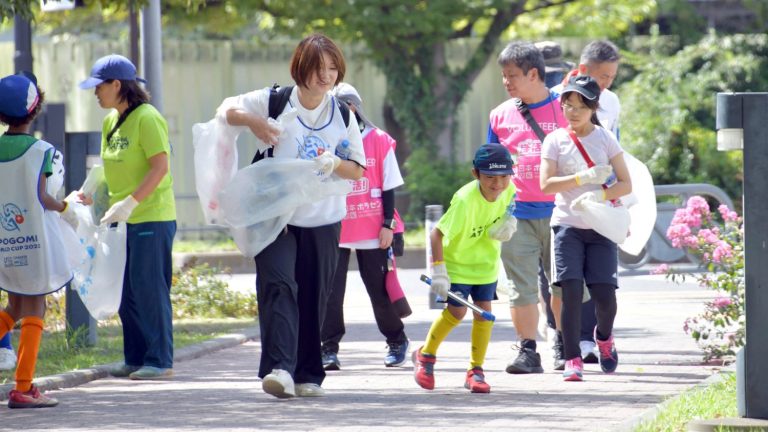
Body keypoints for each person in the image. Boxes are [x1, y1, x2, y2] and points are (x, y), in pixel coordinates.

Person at [222, 34, 365, 399]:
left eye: (333, 69)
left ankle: (307, 373)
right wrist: (255, 123)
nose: (326, 76)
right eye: (319, 69)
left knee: (314, 296)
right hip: (274, 215)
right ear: (301, 68)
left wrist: (335, 162)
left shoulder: (343, 114)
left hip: (322, 219)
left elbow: (357, 169)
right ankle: (280, 369)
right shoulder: (275, 100)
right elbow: (226, 112)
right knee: (279, 286)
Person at [79, 54, 177, 381]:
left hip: (151, 216)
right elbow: (110, 167)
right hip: (121, 220)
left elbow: (160, 167)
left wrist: (132, 202)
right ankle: (134, 358)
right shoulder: (110, 121)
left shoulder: (147, 118)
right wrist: (92, 191)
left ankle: (160, 360)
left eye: (99, 86)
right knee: (127, 290)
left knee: (149, 287)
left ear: (117, 85)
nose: (95, 93)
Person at [540, 75, 631, 381]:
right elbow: (546, 185)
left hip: (601, 225)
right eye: (568, 105)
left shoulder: (606, 139)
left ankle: (604, 338)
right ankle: (572, 359)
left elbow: (626, 183)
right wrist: (580, 179)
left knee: (605, 296)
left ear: (593, 108)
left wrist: (600, 194)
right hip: (566, 225)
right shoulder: (554, 140)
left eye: (581, 105)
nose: (574, 111)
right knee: (571, 290)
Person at [487, 41, 567, 374]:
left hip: (562, 213)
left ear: (534, 73)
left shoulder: (567, 108)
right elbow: (490, 165)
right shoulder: (499, 115)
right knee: (521, 288)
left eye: (512, 76)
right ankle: (527, 350)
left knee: (562, 284)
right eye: (504, 76)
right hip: (516, 214)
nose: (506, 82)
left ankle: (564, 345)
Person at [0, 72, 78, 408]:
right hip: (35, 242)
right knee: (34, 307)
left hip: (5, 241)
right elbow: (45, 197)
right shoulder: (44, 151)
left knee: (13, 307)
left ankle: (24, 384)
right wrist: (67, 206)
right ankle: (23, 387)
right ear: (34, 110)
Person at [412, 143, 516, 394]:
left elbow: (510, 207)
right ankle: (426, 357)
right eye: (490, 177)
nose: (498, 184)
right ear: (475, 174)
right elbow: (436, 235)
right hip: (457, 266)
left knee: (484, 315)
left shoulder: (510, 189)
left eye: (504, 176)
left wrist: (510, 222)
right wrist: (439, 271)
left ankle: (476, 370)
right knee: (456, 313)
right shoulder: (464, 200)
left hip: (486, 265)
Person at [320, 82, 409, 370]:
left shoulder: (379, 140)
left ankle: (396, 340)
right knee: (331, 293)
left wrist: (388, 224)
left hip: (373, 229)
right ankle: (328, 348)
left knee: (379, 291)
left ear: (353, 108)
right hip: (337, 228)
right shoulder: (327, 140)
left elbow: (389, 186)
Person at [552, 40, 622, 363]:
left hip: (601, 208)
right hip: (564, 208)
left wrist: (611, 196)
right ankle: (570, 352)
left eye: (611, 76)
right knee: (567, 285)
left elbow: (617, 158)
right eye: (602, 75)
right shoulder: (557, 98)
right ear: (583, 69)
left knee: (602, 289)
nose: (607, 83)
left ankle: (596, 339)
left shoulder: (612, 104)